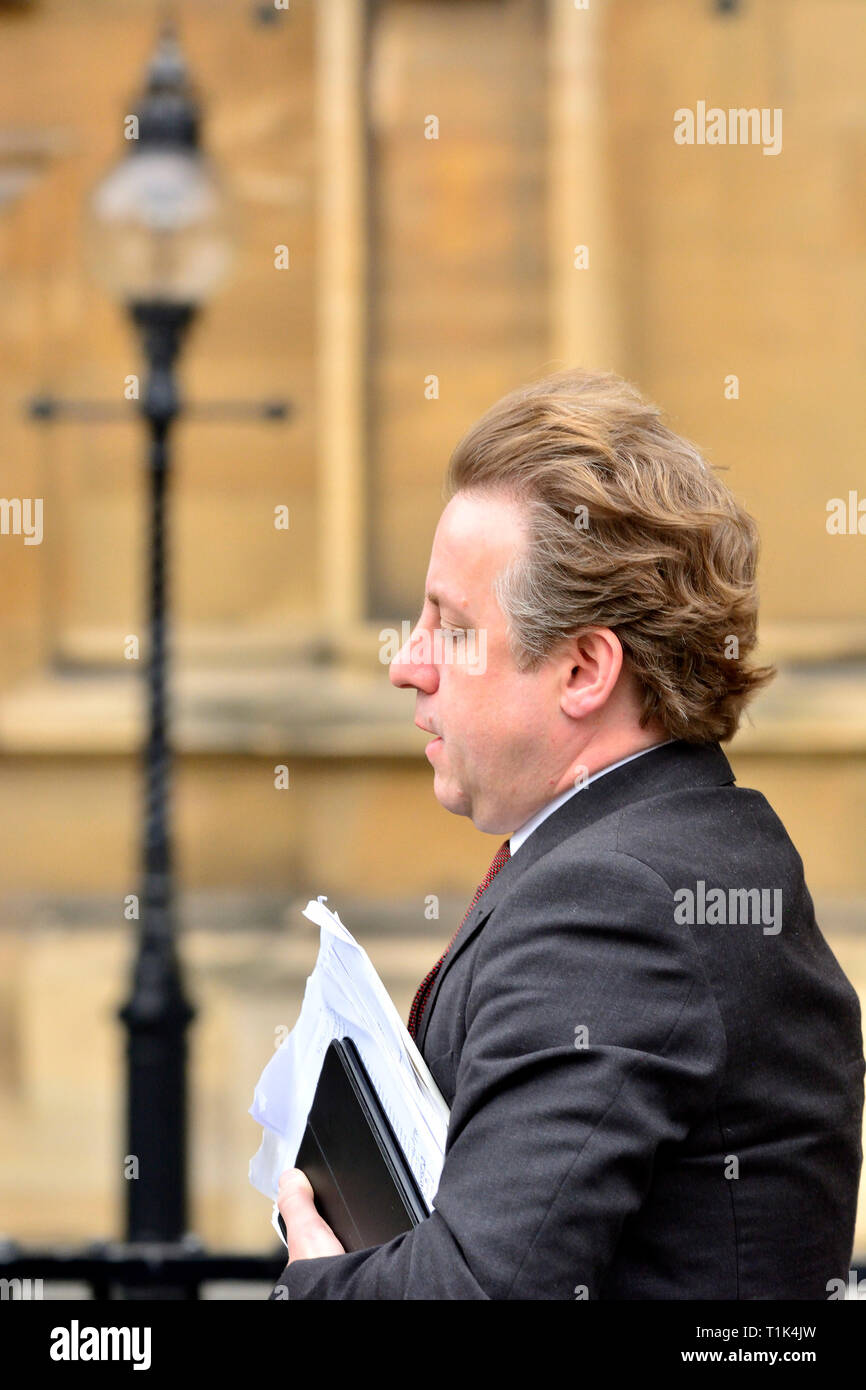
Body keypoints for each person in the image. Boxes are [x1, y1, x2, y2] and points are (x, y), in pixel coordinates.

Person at [270, 368, 864, 1299]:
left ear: (585, 668)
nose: (407, 665)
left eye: (452, 627)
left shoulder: (615, 904)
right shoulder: (686, 846)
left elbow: (483, 1291)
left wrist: (320, 1281)